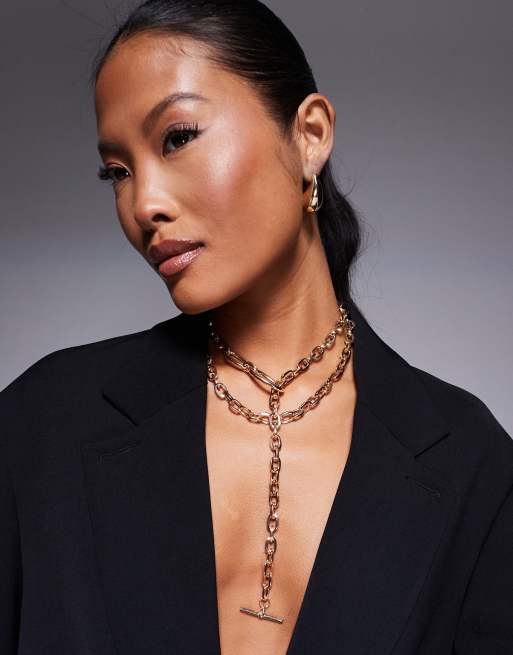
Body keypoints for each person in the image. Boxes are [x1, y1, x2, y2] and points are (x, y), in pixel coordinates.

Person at [1, 1, 512, 653]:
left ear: (309, 136)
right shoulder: (45, 424)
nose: (143, 204)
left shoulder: (471, 464)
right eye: (117, 172)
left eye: (177, 137)